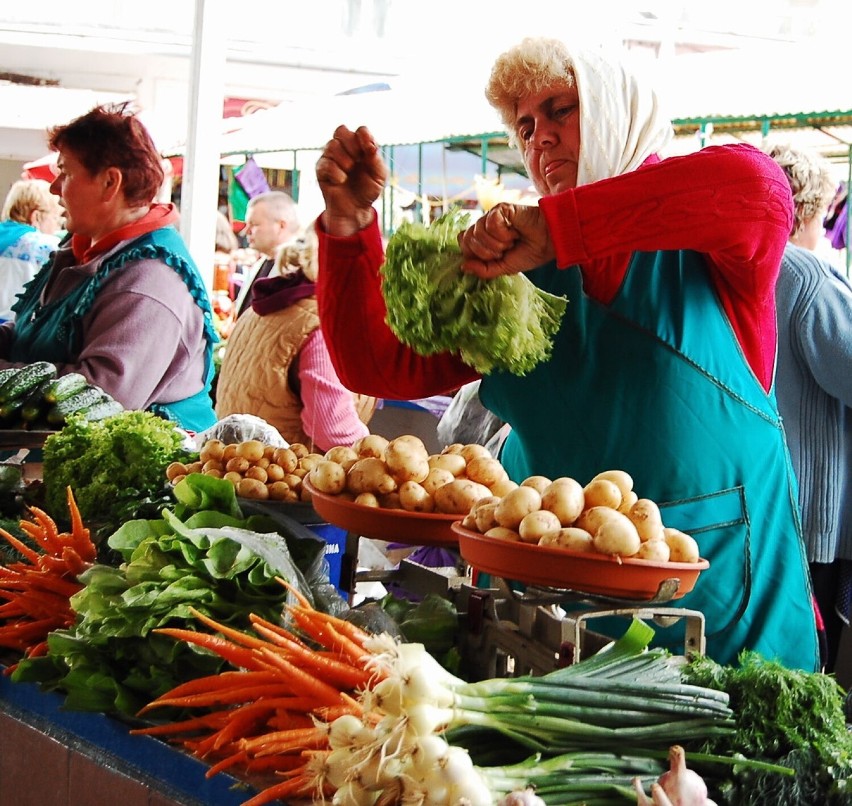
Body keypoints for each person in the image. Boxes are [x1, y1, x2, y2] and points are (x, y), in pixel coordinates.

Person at [313, 37, 820, 671]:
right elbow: (381, 365)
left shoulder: (709, 241)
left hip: (724, 616)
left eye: (561, 109)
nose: (540, 138)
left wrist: (559, 227)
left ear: (617, 114)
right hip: (555, 622)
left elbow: (761, 187)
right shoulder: (516, 275)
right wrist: (347, 227)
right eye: (525, 126)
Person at [0, 102, 218, 432]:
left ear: (109, 183)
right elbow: (30, 334)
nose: (54, 187)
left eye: (66, 172)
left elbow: (100, 395)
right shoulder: (79, 252)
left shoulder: (150, 279)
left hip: (135, 472)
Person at [767, 142, 852, 673]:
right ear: (803, 210)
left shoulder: (740, 267)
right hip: (815, 513)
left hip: (771, 501)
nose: (824, 231)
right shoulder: (805, 277)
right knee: (811, 663)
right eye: (823, 216)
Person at [215, 226, 376, 451]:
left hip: (238, 463)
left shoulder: (265, 305)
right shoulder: (322, 329)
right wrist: (379, 456)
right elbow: (332, 430)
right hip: (285, 476)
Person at [0, 179, 64, 322]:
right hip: (13, 332)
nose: (57, 226)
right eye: (55, 218)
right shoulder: (47, 246)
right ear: (36, 216)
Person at [233, 190, 301, 317]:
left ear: (281, 225)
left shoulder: (298, 272)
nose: (246, 231)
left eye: (254, 224)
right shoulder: (262, 263)